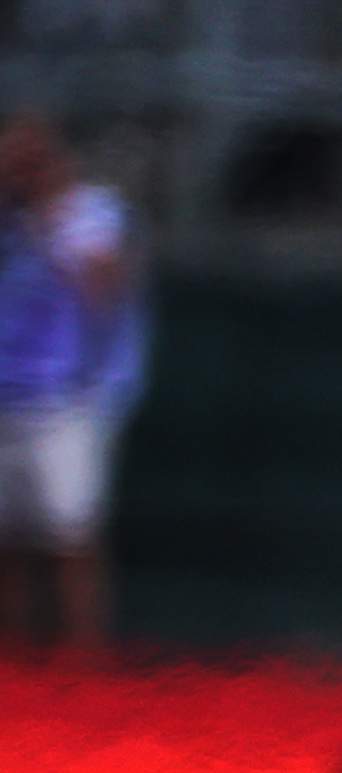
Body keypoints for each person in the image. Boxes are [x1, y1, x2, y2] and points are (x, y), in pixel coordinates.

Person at [0, 116, 137, 655]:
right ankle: (13, 666)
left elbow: (109, 283)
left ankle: (83, 663)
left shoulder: (87, 215)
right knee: (8, 544)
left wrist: (48, 215)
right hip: (5, 394)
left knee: (69, 537)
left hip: (63, 400)